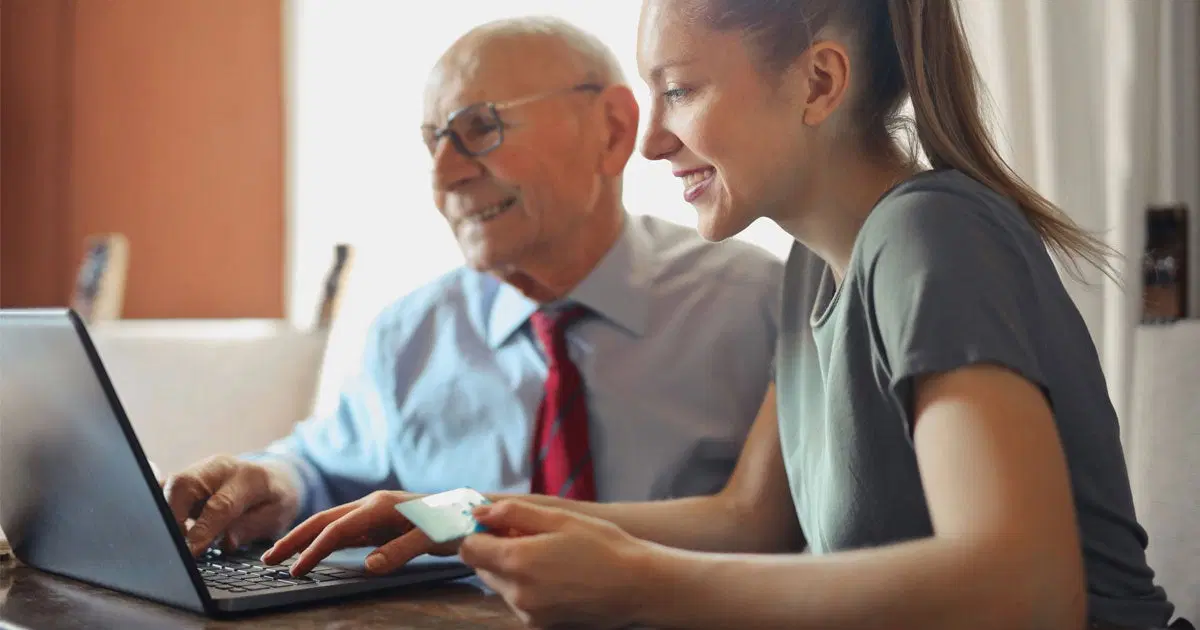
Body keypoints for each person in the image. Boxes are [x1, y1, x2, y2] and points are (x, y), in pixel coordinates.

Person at [261, 1, 1191, 629]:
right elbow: (748, 518)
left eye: (681, 89)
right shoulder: (812, 272)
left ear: (820, 84)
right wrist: (461, 516)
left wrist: (637, 583)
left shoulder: (929, 236)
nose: (655, 138)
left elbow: (1023, 589)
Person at [162, 16, 783, 561]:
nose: (444, 176)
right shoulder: (411, 332)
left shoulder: (759, 305)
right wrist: (272, 481)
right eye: (434, 141)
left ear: (613, 130)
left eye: (479, 129)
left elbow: (778, 530)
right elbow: (325, 468)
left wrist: (456, 516)